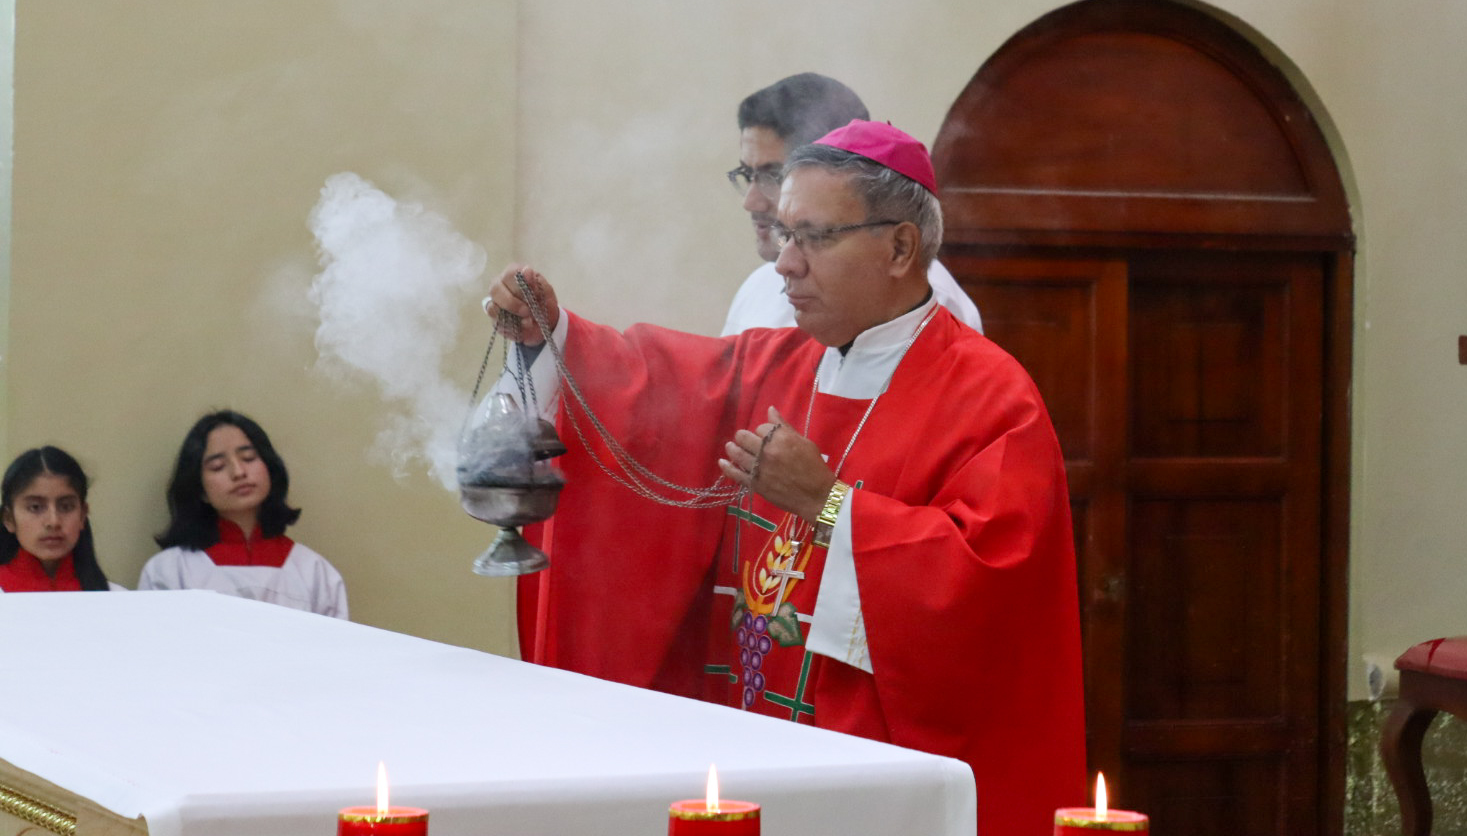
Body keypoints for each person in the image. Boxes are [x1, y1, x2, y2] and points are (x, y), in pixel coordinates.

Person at [488, 122, 1083, 836]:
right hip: (752, 750)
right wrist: (554, 338)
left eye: (814, 238)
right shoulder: (775, 365)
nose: (785, 266)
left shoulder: (991, 397)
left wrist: (827, 502)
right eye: (783, 235)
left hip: (878, 773)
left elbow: (990, 587)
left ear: (900, 247)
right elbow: (643, 401)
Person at [721, 73, 982, 335]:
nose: (750, 201)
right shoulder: (757, 287)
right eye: (747, 175)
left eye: (774, 176)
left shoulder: (926, 304)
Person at [138, 410, 347, 618]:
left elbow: (339, 649)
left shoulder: (314, 572)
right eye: (218, 466)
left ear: (270, 468)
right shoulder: (170, 571)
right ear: (199, 489)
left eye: (248, 457)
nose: (238, 472)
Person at [0, 446, 113, 592]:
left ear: (82, 515)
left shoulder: (117, 600)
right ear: (8, 519)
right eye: (35, 507)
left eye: (66, 507)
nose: (53, 522)